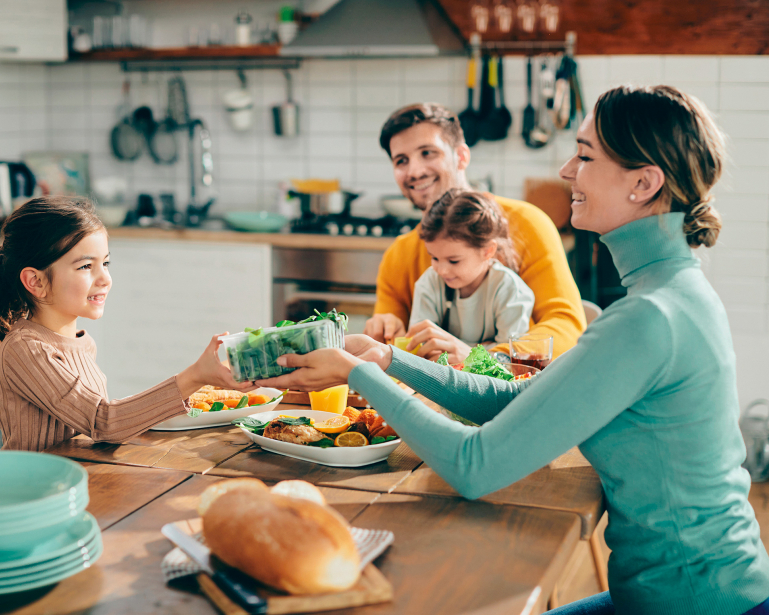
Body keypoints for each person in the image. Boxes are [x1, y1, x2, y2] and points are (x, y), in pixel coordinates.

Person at [260, 85, 769, 614]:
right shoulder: (673, 294)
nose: (567, 170)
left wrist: (358, 376)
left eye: (586, 155)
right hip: (675, 596)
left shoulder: (647, 318)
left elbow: (474, 467)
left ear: (644, 183)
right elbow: (521, 398)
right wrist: (387, 359)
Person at [0, 197, 250, 452]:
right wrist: (195, 377)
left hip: (83, 479)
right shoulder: (25, 350)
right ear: (36, 281)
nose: (104, 279)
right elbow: (104, 422)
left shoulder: (82, 344)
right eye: (86, 267)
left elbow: (97, 425)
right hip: (35, 497)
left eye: (106, 263)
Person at [364, 103, 585, 361]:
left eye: (427, 152)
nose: (415, 171)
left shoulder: (528, 224)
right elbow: (398, 350)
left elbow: (566, 326)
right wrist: (386, 327)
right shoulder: (398, 256)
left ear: (461, 157)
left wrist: (482, 359)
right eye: (401, 161)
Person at [409, 188, 534, 360]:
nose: (442, 270)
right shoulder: (429, 282)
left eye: (454, 261)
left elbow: (509, 362)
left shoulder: (510, 290)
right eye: (435, 258)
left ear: (487, 251)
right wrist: (486, 348)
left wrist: (467, 354)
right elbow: (421, 350)